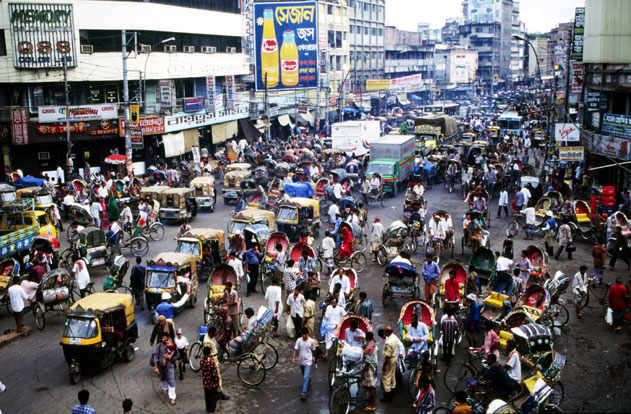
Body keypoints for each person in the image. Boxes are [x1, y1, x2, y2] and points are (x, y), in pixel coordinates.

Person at [291, 327, 316, 401]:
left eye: (304, 334)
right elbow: (295, 350)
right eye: (302, 335)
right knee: (304, 374)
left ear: (307, 334)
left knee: (305, 377)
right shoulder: (299, 340)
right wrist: (293, 358)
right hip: (301, 361)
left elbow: (314, 350)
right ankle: (309, 378)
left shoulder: (311, 341)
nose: (303, 336)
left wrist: (315, 358)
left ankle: (303, 393)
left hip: (308, 361)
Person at [153, 332, 177, 405]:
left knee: (171, 380)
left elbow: (177, 355)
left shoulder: (172, 345)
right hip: (161, 366)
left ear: (167, 337)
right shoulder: (158, 346)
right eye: (162, 338)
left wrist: (171, 357)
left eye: (164, 338)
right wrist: (156, 367)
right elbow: (155, 356)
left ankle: (172, 397)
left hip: (170, 366)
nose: (163, 339)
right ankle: (164, 388)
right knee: (163, 378)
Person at [379, 326, 399, 403]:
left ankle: (387, 394)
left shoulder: (388, 342)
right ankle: (392, 389)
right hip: (394, 358)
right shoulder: (394, 337)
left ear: (387, 332)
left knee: (385, 377)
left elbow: (387, 356)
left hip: (389, 360)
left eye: (384, 331)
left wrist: (384, 365)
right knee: (392, 374)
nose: (383, 333)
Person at [200, 346, 221, 414]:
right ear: (210, 352)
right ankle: (211, 411)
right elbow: (215, 374)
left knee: (207, 396)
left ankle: (208, 408)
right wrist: (217, 381)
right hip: (212, 383)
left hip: (205, 382)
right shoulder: (212, 362)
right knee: (214, 396)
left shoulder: (202, 361)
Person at [362, 331, 378, 411]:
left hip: (369, 367)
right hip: (374, 366)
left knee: (371, 386)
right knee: (369, 385)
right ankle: (369, 399)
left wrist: (364, 371)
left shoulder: (369, 347)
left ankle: (372, 405)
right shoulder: (372, 343)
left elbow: (368, 361)